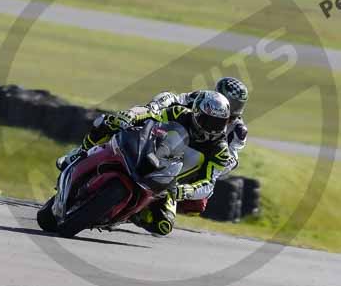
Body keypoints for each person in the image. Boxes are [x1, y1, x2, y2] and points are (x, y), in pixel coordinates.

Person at [58, 90, 233, 236]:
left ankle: (135, 213)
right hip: (151, 149)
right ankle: (79, 152)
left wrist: (185, 191)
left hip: (171, 180)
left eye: (218, 123)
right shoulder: (181, 113)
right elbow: (152, 113)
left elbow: (209, 183)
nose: (211, 127)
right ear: (196, 113)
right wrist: (131, 116)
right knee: (107, 122)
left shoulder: (221, 149)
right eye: (208, 121)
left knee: (162, 226)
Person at [148, 77, 249, 172]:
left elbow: (232, 159)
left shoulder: (239, 130)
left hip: (201, 158)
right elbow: (175, 99)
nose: (232, 107)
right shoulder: (201, 98)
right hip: (179, 137)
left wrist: (224, 160)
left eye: (237, 105)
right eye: (231, 102)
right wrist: (154, 107)